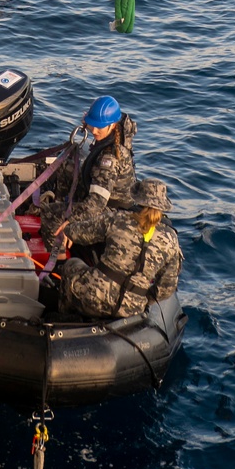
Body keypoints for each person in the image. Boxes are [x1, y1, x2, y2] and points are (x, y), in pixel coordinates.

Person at [56, 180, 182, 320]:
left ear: (137, 199)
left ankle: (63, 317)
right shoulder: (171, 239)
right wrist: (140, 298)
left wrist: (68, 226)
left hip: (94, 297)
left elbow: (75, 233)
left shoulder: (117, 219)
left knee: (71, 265)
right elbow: (166, 289)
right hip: (132, 309)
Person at [38, 94, 137, 239]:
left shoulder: (109, 159)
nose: (95, 131)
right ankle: (61, 203)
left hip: (111, 211)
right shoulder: (116, 134)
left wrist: (71, 220)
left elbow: (97, 203)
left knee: (49, 212)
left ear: (113, 125)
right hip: (102, 199)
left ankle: (58, 256)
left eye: (100, 127)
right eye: (93, 125)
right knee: (66, 166)